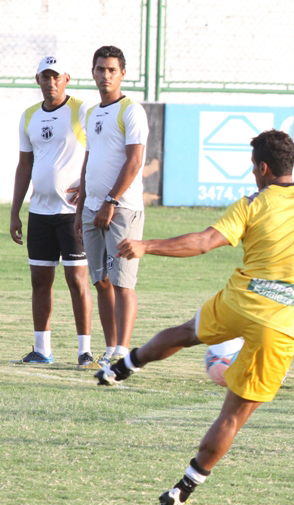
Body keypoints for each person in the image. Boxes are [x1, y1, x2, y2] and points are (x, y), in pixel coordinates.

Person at [94, 129, 294, 505]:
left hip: (242, 302)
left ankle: (126, 364)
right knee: (233, 416)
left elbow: (204, 242)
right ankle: (182, 488)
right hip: (283, 324)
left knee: (189, 332)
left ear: (263, 168)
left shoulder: (253, 203)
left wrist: (146, 245)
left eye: (253, 168)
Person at [10, 55, 93, 365]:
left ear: (67, 78)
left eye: (56, 76)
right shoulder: (29, 115)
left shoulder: (81, 110)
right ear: (38, 80)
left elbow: (97, 151)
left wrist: (86, 188)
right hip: (40, 214)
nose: (51, 82)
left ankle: (84, 351)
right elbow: (24, 164)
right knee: (40, 281)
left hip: (73, 214)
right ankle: (41, 349)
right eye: (45, 76)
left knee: (77, 282)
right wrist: (15, 211)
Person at [73, 45, 149, 366]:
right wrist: (80, 211)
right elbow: (89, 160)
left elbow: (134, 161)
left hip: (122, 208)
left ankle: (122, 352)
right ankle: (109, 348)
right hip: (91, 208)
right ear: (92, 72)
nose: (106, 75)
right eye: (100, 69)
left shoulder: (131, 110)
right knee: (101, 281)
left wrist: (111, 201)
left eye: (112, 70)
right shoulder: (91, 113)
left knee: (122, 282)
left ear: (122, 74)